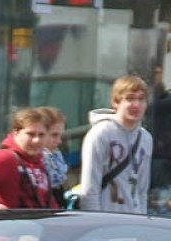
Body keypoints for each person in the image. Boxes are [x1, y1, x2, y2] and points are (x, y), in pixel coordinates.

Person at [80, 75, 153, 214]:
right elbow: (90, 189)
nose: (136, 105)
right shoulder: (101, 133)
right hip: (106, 220)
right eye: (130, 98)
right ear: (116, 102)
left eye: (141, 99)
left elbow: (142, 190)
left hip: (133, 222)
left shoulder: (146, 138)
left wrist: (142, 221)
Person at [0, 108, 61, 210]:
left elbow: (47, 200)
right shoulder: (6, 157)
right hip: (9, 223)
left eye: (41, 135)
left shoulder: (40, 162)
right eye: (30, 134)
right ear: (16, 133)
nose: (36, 140)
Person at [39, 106, 69, 201]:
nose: (59, 141)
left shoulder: (56, 155)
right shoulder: (37, 159)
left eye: (60, 136)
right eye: (54, 135)